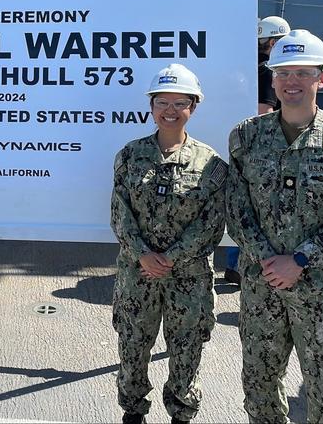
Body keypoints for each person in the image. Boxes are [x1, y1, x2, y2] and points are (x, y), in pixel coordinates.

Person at [227, 29, 323, 423]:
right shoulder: (247, 135)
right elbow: (237, 207)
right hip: (262, 288)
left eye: (303, 73)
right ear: (272, 78)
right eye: (283, 72)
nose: (291, 82)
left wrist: (299, 260)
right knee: (259, 392)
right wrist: (268, 259)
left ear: (321, 78)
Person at [111, 63, 227, 424]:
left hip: (188, 279)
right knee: (132, 348)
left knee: (186, 351)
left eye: (180, 102)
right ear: (151, 105)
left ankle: (182, 414)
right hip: (137, 275)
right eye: (162, 101)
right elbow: (120, 213)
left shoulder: (211, 164)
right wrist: (143, 254)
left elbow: (211, 224)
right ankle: (133, 411)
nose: (170, 111)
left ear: (194, 106)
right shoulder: (130, 155)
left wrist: (170, 258)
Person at [224, 16, 289, 285]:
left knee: (240, 207)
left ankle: (232, 265)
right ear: (272, 42)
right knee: (257, 210)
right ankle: (240, 267)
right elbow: (265, 112)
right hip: (259, 149)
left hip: (237, 142)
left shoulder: (241, 66)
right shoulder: (267, 72)